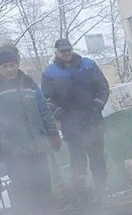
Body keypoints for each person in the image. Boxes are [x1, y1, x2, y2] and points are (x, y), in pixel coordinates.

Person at [0, 43, 61, 213]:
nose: (10, 69)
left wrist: (53, 134)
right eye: (5, 66)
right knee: (23, 186)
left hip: (38, 145)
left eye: (13, 65)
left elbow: (43, 110)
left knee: (43, 183)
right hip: (13, 149)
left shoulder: (28, 83)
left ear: (17, 64)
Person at [41, 37, 110, 201]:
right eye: (62, 51)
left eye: (68, 50)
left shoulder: (88, 65)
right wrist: (60, 114)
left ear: (72, 49)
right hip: (70, 124)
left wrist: (98, 105)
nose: (66, 53)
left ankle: (102, 191)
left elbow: (103, 87)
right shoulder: (50, 72)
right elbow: (47, 99)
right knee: (77, 161)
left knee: (97, 158)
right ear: (56, 52)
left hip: (93, 119)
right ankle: (83, 196)